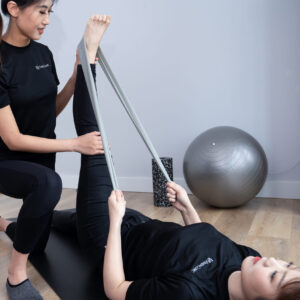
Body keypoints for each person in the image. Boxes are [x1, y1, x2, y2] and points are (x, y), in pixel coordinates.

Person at [2, 10, 300, 300]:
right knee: (51, 225)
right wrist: (186, 209)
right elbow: (205, 241)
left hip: (108, 238)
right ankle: (8, 224)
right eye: (285, 264)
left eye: (275, 275)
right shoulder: (250, 258)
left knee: (96, 146)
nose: (271, 262)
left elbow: (116, 290)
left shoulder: (191, 291)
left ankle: (88, 58)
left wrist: (115, 223)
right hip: (138, 223)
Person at [0, 0, 109, 298]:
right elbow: (13, 139)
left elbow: (50, 111)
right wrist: (75, 145)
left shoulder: (43, 54)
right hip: (7, 160)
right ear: (13, 8)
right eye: (41, 10)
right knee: (50, 184)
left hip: (42, 157)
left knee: (37, 243)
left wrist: (75, 78)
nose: (47, 19)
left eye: (50, 11)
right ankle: (15, 276)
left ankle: (5, 225)